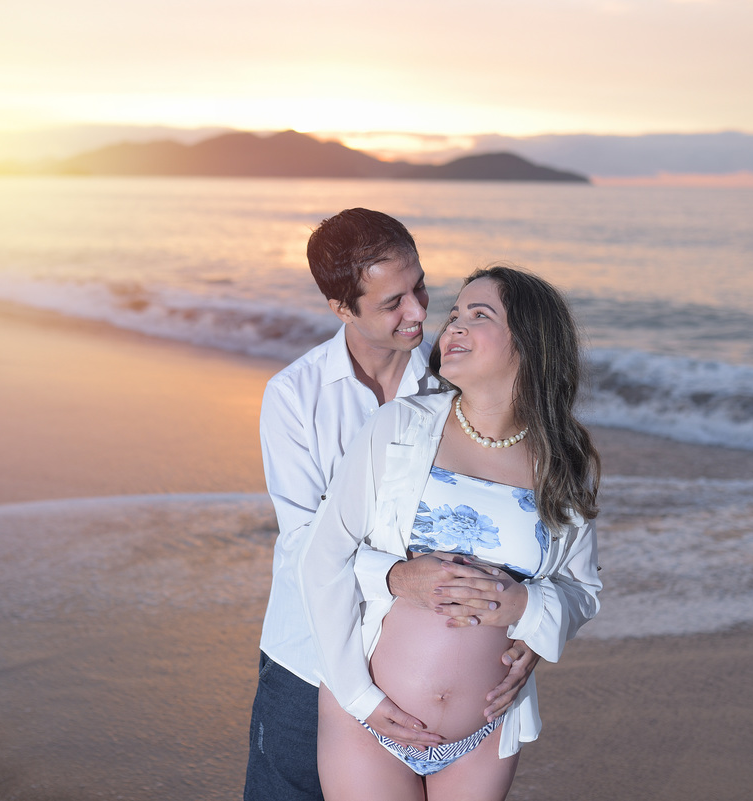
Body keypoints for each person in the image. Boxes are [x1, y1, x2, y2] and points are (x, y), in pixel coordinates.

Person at [244, 212, 543, 801]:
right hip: (311, 658)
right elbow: (308, 540)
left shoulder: (456, 386)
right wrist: (394, 574)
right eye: (392, 302)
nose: (418, 313)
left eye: (421, 288)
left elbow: (515, 528)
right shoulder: (294, 397)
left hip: (424, 675)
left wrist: (536, 621)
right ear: (342, 309)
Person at [298, 265, 602, 800]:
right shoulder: (399, 428)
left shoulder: (564, 463)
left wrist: (527, 610)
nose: (453, 327)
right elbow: (323, 557)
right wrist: (359, 694)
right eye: (455, 314)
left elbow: (582, 591)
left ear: (530, 343)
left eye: (478, 315)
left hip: (487, 734)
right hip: (369, 716)